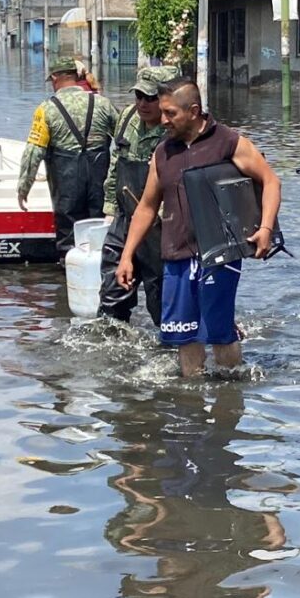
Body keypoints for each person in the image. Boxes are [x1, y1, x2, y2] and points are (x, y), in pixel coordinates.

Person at [115, 78, 281, 377]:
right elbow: (147, 206)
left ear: (193, 111)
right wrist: (127, 255)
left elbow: (270, 181)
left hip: (219, 255)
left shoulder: (228, 142)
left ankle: (229, 399)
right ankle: (192, 399)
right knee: (184, 334)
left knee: (220, 333)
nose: (163, 120)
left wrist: (266, 229)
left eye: (170, 113)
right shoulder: (163, 152)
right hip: (176, 255)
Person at [97, 65, 180, 326]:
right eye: (139, 97)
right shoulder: (127, 118)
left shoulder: (177, 132)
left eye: (151, 98)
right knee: (112, 288)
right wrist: (109, 207)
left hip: (160, 227)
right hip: (125, 217)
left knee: (160, 297)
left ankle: (169, 346)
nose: (143, 104)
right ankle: (112, 341)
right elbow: (115, 162)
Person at [17, 56, 117, 260]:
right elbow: (124, 140)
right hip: (100, 179)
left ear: (54, 78)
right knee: (101, 229)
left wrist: (23, 188)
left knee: (69, 235)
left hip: (66, 183)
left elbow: (34, 151)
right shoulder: (103, 103)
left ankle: (69, 271)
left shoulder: (46, 109)